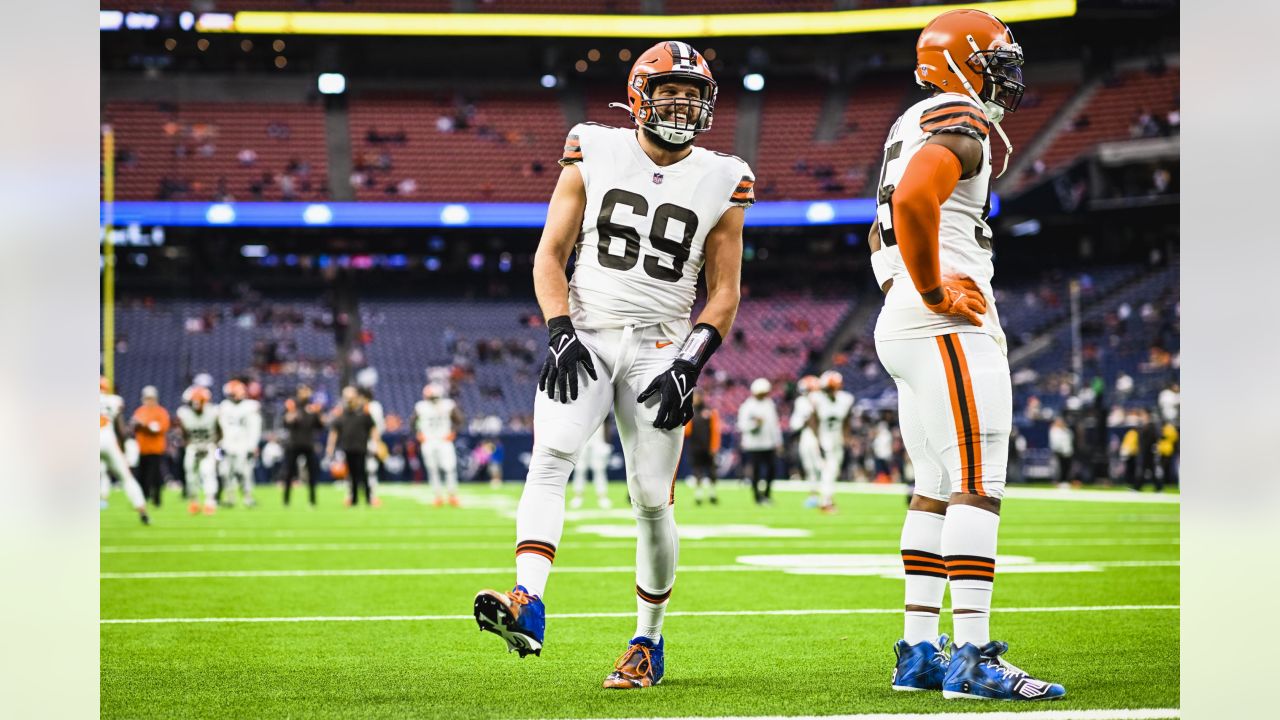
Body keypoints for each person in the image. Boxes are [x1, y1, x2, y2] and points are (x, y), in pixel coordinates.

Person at [473, 40, 751, 691]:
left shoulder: (725, 173)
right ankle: (527, 599)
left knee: (653, 501)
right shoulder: (592, 146)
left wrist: (693, 361)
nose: (683, 108)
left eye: (693, 97)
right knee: (550, 458)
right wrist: (559, 330)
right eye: (670, 95)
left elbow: (726, 291)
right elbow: (550, 253)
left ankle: (646, 643)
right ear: (638, 98)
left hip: (661, 347)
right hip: (590, 333)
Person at [868, 9, 1064, 699]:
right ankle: (973, 656)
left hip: (904, 322)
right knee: (978, 482)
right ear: (962, 61)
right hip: (941, 325)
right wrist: (934, 288)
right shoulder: (959, 116)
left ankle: (920, 652)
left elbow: (878, 231)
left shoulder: (907, 122)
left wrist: (907, 286)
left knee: (933, 486)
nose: (1006, 75)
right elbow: (920, 194)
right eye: (996, 60)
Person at [100, 376, 150, 524]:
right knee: (126, 477)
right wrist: (122, 448)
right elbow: (120, 429)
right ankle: (142, 510)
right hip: (108, 440)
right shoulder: (113, 400)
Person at [326, 386, 381, 506]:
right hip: (346, 447)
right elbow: (334, 431)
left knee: (364, 473)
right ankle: (353, 499)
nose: (349, 400)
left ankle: (368, 498)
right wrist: (330, 447)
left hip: (361, 447)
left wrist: (376, 443)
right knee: (351, 475)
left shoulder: (364, 412)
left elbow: (373, 428)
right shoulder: (341, 413)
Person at [411, 383, 463, 507]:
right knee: (432, 469)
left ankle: (452, 495)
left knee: (449, 468)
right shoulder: (421, 407)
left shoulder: (448, 405)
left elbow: (459, 420)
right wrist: (418, 434)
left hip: (444, 440)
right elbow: (412, 423)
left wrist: (453, 432)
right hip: (428, 441)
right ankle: (438, 495)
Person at [811, 370, 853, 513]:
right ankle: (826, 501)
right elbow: (813, 421)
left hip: (837, 439)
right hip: (825, 439)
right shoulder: (817, 399)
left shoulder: (845, 400)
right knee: (829, 470)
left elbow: (847, 421)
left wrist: (847, 439)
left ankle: (827, 498)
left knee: (833, 471)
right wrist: (817, 440)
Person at [737, 378, 782, 505]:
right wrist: (755, 424)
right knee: (756, 471)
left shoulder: (769, 404)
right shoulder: (747, 406)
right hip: (753, 444)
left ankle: (767, 494)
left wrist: (778, 441)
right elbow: (742, 425)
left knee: (771, 470)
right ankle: (757, 496)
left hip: (769, 444)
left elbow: (775, 425)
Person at [217, 379, 262, 507]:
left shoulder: (251, 406)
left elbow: (255, 428)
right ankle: (230, 497)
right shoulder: (224, 406)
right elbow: (220, 428)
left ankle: (248, 497)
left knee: (245, 472)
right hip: (227, 445)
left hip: (244, 445)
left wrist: (252, 446)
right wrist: (220, 445)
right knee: (225, 472)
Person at [176, 385, 220, 515]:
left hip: (209, 446)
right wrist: (191, 446)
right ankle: (194, 501)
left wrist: (213, 447)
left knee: (208, 473)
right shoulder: (184, 414)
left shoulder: (213, 412)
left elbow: (220, 433)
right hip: (193, 447)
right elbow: (184, 435)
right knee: (190, 475)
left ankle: (210, 502)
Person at [281, 385, 324, 507]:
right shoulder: (292, 405)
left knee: (312, 473)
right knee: (289, 473)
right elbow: (286, 423)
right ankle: (286, 500)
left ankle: (312, 500)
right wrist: (292, 413)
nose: (305, 394)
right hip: (293, 444)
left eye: (307, 391)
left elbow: (320, 426)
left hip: (309, 444)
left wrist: (319, 413)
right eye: (302, 391)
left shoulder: (313, 407)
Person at [131, 385, 170, 507]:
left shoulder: (161, 412)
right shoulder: (140, 411)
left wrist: (145, 425)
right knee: (142, 476)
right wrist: (141, 425)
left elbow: (160, 428)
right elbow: (134, 426)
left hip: (156, 449)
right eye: (147, 398)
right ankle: (144, 497)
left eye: (151, 398)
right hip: (142, 449)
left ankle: (157, 499)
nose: (149, 401)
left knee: (156, 476)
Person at [790, 375, 824, 508]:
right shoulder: (802, 401)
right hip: (808, 435)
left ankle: (825, 495)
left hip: (819, 435)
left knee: (820, 466)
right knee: (810, 467)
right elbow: (796, 423)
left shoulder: (820, 400)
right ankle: (814, 495)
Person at [683, 389, 721, 505]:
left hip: (708, 448)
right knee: (697, 472)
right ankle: (698, 495)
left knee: (712, 472)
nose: (696, 399)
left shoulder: (710, 411)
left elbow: (715, 430)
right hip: (695, 448)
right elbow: (686, 432)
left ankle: (712, 494)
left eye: (698, 396)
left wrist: (714, 447)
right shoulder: (689, 411)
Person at [572, 417, 614, 509]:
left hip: (598, 431)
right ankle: (578, 496)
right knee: (580, 468)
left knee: (599, 469)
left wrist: (606, 441)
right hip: (582, 431)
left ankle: (602, 497)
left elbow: (607, 418)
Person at [360, 386, 387, 507]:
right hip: (358, 442)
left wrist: (376, 442)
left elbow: (378, 426)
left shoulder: (373, 407)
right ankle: (352, 496)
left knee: (371, 469)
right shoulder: (357, 407)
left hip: (369, 441)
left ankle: (371, 496)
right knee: (355, 470)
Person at [1048, 416, 1074, 488]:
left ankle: (1065, 481)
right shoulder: (1054, 430)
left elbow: (1070, 441)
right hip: (1058, 452)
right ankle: (1057, 481)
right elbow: (1055, 442)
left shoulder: (1067, 431)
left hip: (1067, 453)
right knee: (1057, 468)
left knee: (1066, 468)